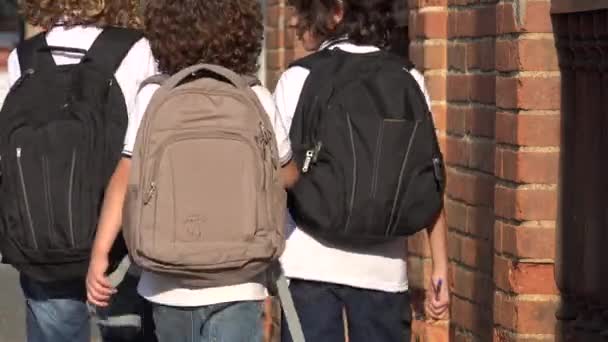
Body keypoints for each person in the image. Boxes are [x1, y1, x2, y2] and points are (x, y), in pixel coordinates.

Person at [85, 1, 299, 341]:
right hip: (239, 280)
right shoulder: (254, 95)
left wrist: (100, 254)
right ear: (242, 34)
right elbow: (286, 176)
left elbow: (124, 179)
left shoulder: (154, 94)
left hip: (167, 280)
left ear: (165, 33)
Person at [274, 0, 451, 341]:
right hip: (385, 276)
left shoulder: (299, 77)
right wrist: (440, 269)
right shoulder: (408, 77)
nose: (297, 20)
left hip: (307, 271)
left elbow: (273, 181)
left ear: (337, 10)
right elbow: (428, 178)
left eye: (308, 7)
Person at [2, 1, 157, 342]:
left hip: (41, 245)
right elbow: (145, 148)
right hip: (118, 241)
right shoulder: (134, 48)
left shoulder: (24, 57)